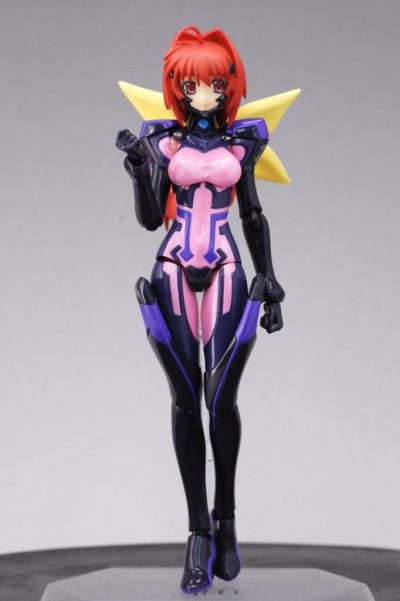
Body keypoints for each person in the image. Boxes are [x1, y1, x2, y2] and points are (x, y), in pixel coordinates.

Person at [116, 25, 296, 593]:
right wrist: (140, 172)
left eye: (215, 84)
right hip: (171, 266)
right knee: (183, 396)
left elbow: (253, 215)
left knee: (221, 399)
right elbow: (151, 218)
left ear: (228, 86)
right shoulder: (161, 140)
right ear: (177, 86)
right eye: (191, 84)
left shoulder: (243, 141)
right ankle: (197, 533)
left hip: (225, 266)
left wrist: (270, 279)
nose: (203, 94)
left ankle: (226, 521)